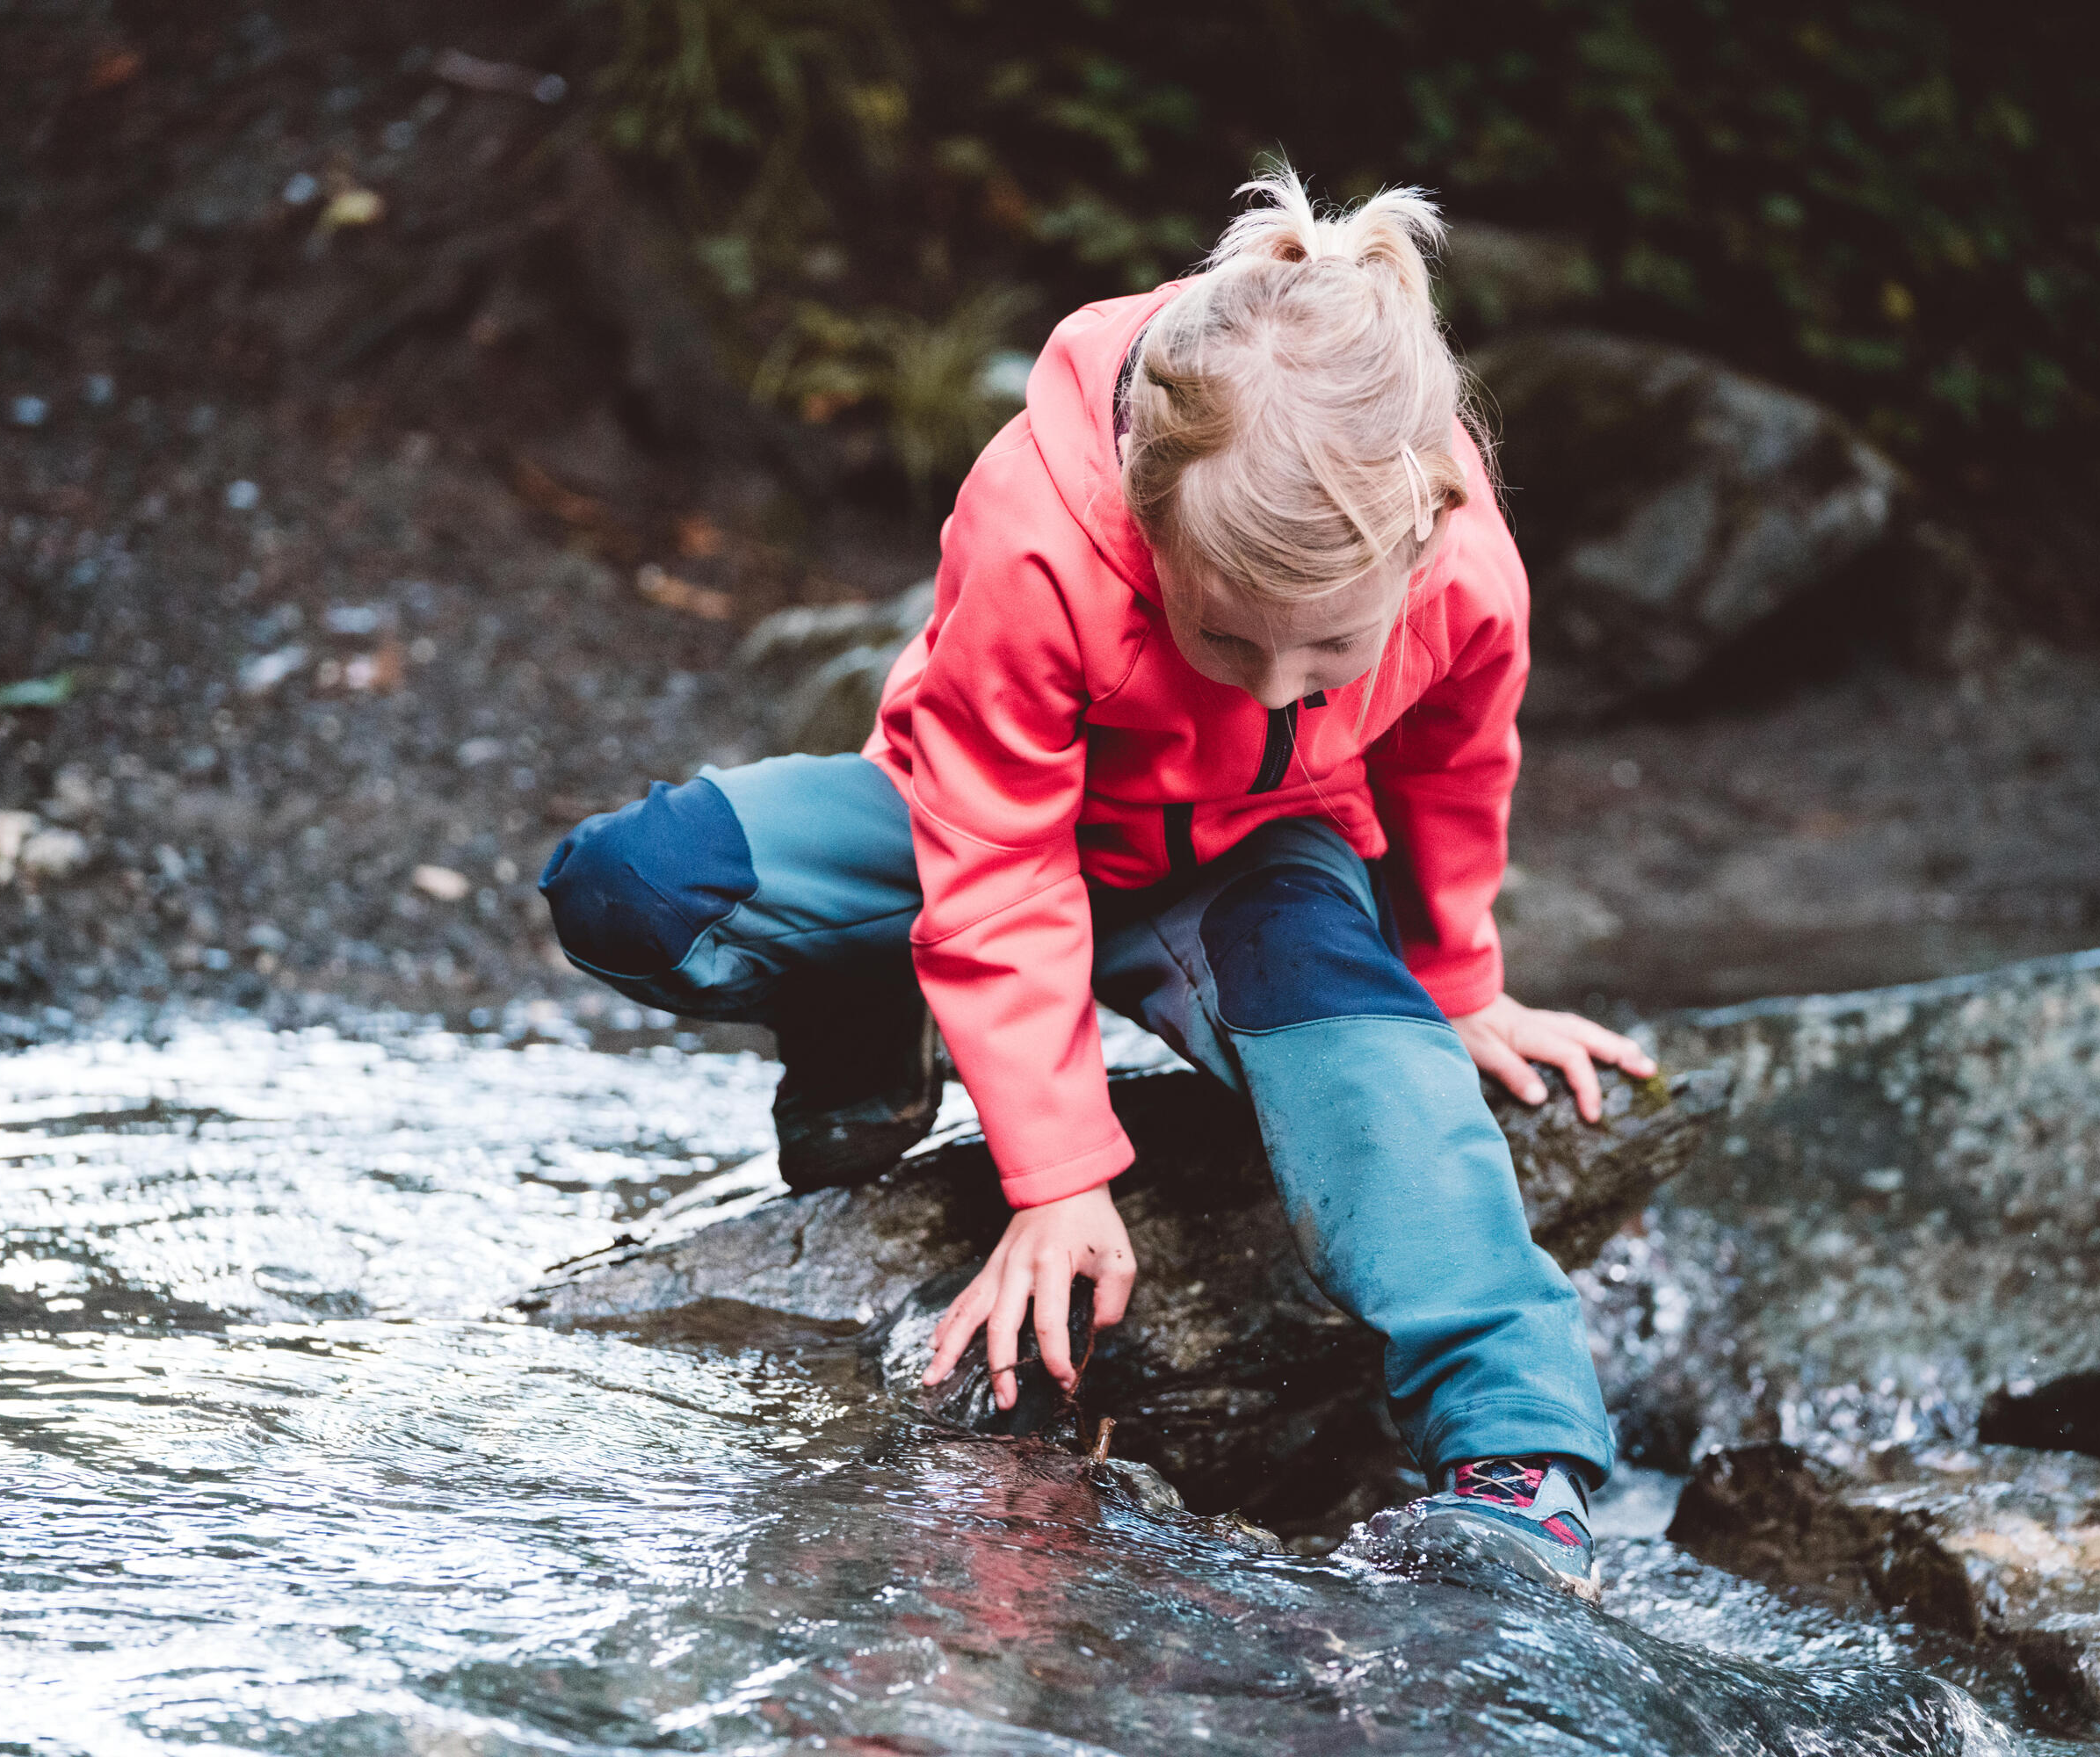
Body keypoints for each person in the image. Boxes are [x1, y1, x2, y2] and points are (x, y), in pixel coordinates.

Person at [540, 168, 1654, 1602]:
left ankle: (1517, 1464)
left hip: (1253, 860)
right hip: (978, 829)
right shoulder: (1036, 526)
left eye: (1324, 660)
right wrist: (1057, 1175)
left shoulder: (1460, 563)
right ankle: (868, 1005)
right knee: (635, 887)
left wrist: (1461, 983)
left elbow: (1451, 768)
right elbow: (995, 857)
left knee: (1390, 1084)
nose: (1269, 685)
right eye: (1222, 640)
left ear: (1427, 530)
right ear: (1144, 514)